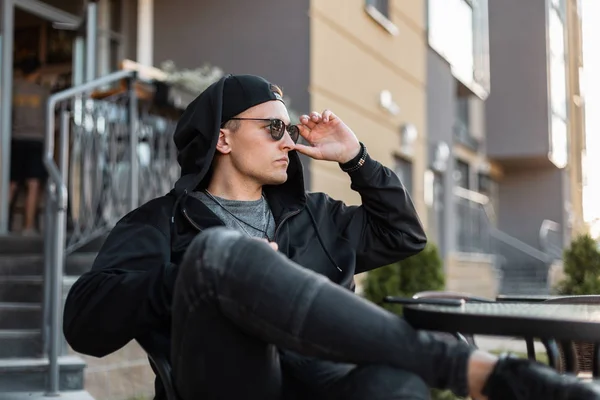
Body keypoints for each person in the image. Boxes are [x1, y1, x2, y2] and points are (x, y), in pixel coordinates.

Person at [63, 74, 600, 400]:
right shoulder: (161, 222)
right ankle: (472, 370)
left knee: (395, 388)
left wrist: (357, 157)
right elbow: (84, 324)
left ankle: (460, 371)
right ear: (223, 137)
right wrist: (189, 277)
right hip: (231, 389)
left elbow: (403, 235)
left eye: (291, 130)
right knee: (218, 254)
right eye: (273, 128)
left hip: (324, 386)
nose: (289, 141)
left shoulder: (316, 216)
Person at [9, 56, 50, 235]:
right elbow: (49, 121)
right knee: (33, 185)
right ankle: (28, 227)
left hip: (16, 140)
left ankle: (2, 223)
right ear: (38, 71)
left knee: (11, 184)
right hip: (36, 141)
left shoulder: (13, 89)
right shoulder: (43, 93)